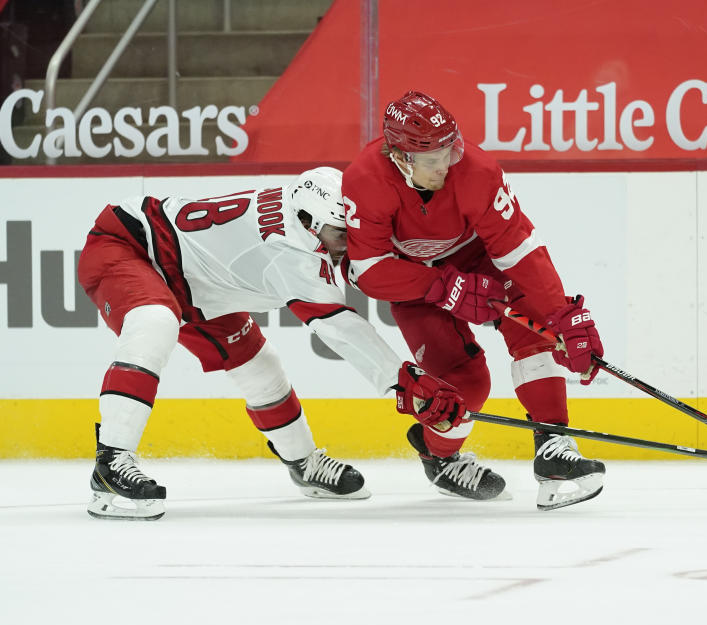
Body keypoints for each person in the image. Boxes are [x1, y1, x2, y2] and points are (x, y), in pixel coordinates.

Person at [77, 167, 467, 520]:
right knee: (154, 320)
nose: (351, 244)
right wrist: (407, 381)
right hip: (129, 245)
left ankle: (303, 463)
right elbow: (342, 330)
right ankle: (110, 463)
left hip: (197, 279)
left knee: (261, 367)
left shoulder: (307, 208)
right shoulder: (290, 254)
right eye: (341, 234)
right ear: (309, 223)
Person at [341, 90, 606, 510]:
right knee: (465, 386)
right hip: (415, 284)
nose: (445, 166)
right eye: (431, 160)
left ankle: (553, 447)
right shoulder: (365, 180)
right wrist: (444, 287)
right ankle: (439, 457)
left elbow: (518, 248)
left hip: (481, 262)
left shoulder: (478, 171)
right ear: (399, 156)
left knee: (534, 330)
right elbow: (370, 272)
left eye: (449, 152)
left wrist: (564, 314)